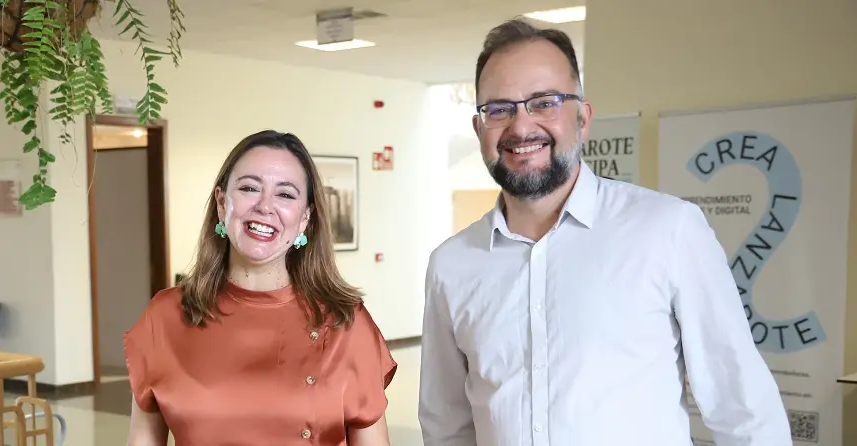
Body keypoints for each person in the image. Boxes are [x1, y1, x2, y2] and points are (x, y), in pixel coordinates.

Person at [418, 19, 791, 446]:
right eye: (499, 109)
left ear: (583, 117)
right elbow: (447, 426)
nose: (520, 128)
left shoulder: (668, 231)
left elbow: (743, 411)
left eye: (544, 102)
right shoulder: (451, 265)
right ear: (479, 128)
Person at [124, 130, 397, 446]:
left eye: (285, 194)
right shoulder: (165, 317)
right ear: (222, 202)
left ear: (305, 218)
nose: (265, 207)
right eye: (249, 188)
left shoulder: (344, 323)